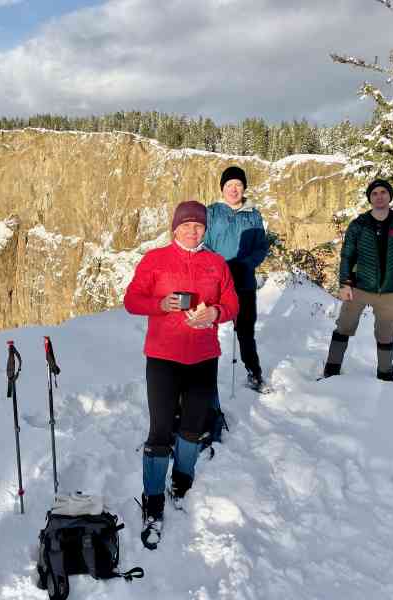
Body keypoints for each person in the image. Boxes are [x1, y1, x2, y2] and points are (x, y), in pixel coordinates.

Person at [124, 200, 239, 550]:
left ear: (205, 229)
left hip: (203, 357)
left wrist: (214, 313)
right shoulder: (155, 260)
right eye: (186, 225)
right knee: (160, 431)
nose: (192, 231)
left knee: (192, 426)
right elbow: (132, 300)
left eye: (198, 226)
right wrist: (160, 305)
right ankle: (153, 501)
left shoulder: (216, 263)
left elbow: (233, 304)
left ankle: (183, 481)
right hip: (163, 357)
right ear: (175, 228)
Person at [323, 178, 393, 381]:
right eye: (374, 193)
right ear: (370, 198)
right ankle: (330, 371)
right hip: (359, 287)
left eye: (383, 192)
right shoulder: (359, 224)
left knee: (386, 334)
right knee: (344, 327)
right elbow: (347, 256)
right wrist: (345, 284)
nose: (379, 196)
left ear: (390, 196)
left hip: (389, 290)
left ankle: (385, 376)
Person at [203, 166, 270, 392]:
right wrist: (217, 267)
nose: (234, 189)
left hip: (244, 281)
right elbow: (203, 243)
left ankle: (254, 373)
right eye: (229, 185)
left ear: (244, 188)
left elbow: (261, 246)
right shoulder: (211, 212)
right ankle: (201, 375)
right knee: (206, 326)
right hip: (214, 281)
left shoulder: (253, 215)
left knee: (245, 330)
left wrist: (245, 264)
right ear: (222, 188)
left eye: (238, 185)